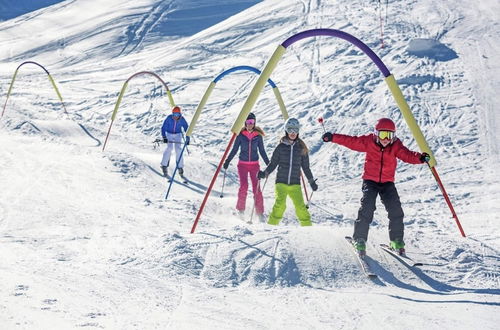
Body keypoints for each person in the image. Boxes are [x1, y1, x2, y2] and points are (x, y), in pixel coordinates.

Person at [322, 118, 430, 255]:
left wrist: (420, 158)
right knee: (367, 208)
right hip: (370, 181)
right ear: (376, 134)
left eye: (389, 135)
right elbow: (351, 141)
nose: (386, 139)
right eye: (383, 134)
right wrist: (333, 137)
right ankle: (359, 239)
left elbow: (407, 155)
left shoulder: (396, 145)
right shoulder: (368, 142)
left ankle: (396, 240)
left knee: (395, 210)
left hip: (387, 182)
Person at [258, 117, 318, 227]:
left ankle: (308, 229)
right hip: (281, 182)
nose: (293, 133)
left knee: (301, 207)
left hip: (295, 184)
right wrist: (264, 173)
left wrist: (312, 182)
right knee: (280, 205)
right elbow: (273, 163)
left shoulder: (301, 148)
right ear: (286, 130)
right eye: (290, 129)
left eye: (295, 130)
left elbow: (306, 168)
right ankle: (271, 226)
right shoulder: (280, 147)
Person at [223, 113, 269, 221]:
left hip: (254, 165)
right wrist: (227, 161)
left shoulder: (258, 136)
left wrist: (268, 163)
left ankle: (260, 212)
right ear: (245, 123)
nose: (250, 124)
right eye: (248, 122)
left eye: (252, 122)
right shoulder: (240, 135)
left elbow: (262, 151)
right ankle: (241, 210)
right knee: (244, 186)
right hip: (242, 165)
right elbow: (234, 149)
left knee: (256, 188)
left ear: (254, 123)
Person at [160, 106, 190, 177]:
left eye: (177, 115)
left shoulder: (182, 119)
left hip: (178, 134)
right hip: (169, 134)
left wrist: (187, 137)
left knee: (178, 149)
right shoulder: (169, 118)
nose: (176, 116)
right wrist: (164, 137)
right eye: (174, 114)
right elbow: (163, 128)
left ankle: (180, 167)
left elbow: (186, 128)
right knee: (169, 148)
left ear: (180, 114)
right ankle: (164, 165)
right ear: (172, 114)